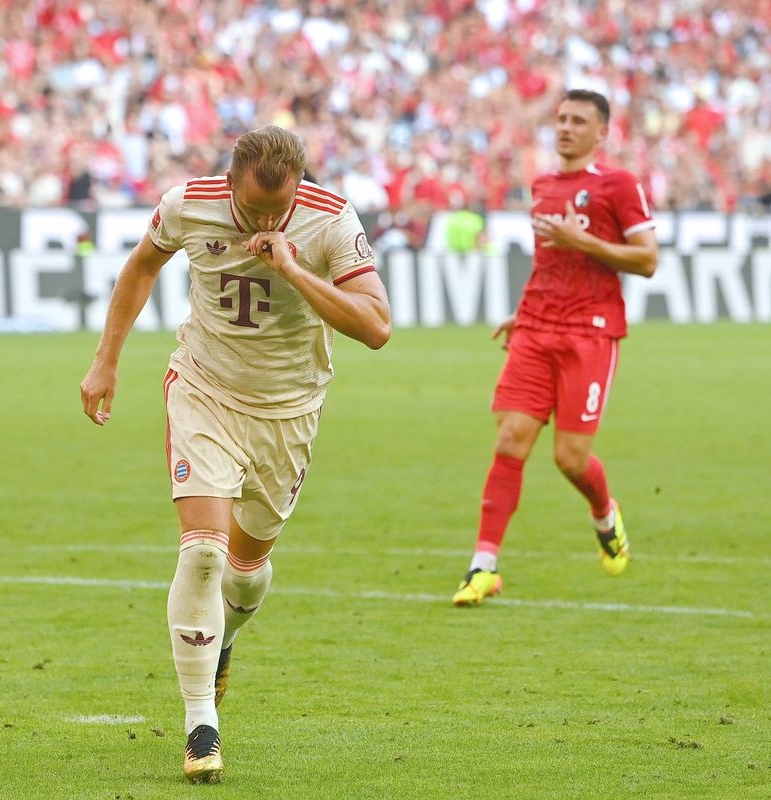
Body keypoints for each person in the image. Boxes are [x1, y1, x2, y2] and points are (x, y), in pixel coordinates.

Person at [80, 125, 391, 783]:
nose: (264, 220)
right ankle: (201, 727)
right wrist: (106, 361)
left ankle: (225, 641)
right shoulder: (187, 203)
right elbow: (141, 265)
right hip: (204, 391)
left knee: (246, 572)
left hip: (289, 412)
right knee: (202, 552)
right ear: (230, 184)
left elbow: (376, 327)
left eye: (276, 211)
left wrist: (293, 267)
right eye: (252, 210)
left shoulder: (330, 221)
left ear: (298, 190)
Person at [452, 89, 658, 606]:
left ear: (601, 132)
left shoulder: (619, 184)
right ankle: (484, 566)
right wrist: (523, 314)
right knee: (509, 441)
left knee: (570, 459)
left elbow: (647, 260)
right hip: (537, 329)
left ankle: (604, 514)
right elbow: (550, 265)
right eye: (561, 118)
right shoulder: (542, 186)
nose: (565, 127)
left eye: (578, 120)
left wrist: (583, 241)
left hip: (591, 332)